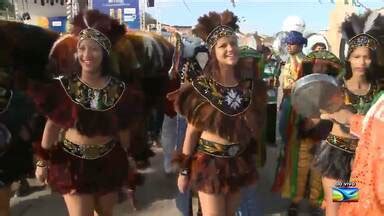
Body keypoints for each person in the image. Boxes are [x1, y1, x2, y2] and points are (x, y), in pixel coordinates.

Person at [29, 10, 144, 216]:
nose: (87, 55)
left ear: (105, 54)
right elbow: (52, 126)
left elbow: (123, 129)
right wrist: (42, 162)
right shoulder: (65, 87)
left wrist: (130, 161)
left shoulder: (120, 90)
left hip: (109, 162)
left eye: (94, 49)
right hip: (73, 165)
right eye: (82, 48)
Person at [170, 10, 266, 216]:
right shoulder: (202, 87)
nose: (231, 48)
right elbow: (191, 133)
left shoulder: (249, 86)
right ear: (213, 51)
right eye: (223, 45)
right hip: (210, 163)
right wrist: (184, 170)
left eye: (233, 43)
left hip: (238, 162)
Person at [313, 12, 383, 216]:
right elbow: (319, 116)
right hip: (338, 156)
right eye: (357, 57)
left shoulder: (379, 89)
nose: (362, 62)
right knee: (336, 207)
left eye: (367, 57)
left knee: (356, 208)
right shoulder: (337, 87)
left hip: (365, 160)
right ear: (349, 58)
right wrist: (330, 114)